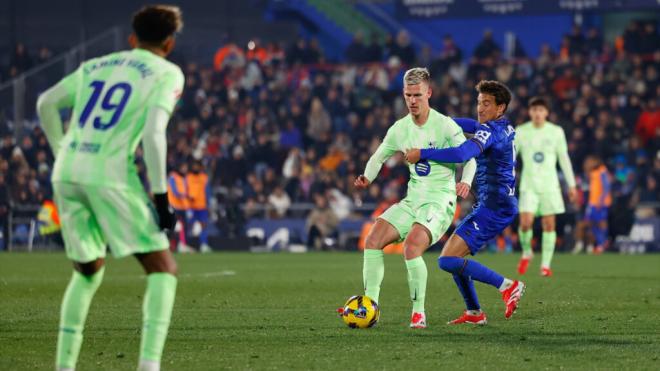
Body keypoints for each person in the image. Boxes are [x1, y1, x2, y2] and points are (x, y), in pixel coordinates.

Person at [36, 6, 184, 371]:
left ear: (132, 39)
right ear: (169, 43)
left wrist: (61, 152)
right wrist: (162, 197)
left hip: (67, 171)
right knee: (162, 267)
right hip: (110, 174)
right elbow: (152, 134)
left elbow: (45, 103)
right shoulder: (167, 73)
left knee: (88, 270)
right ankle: (149, 366)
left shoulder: (97, 65)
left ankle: (64, 366)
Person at [354, 67, 476, 329]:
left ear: (429, 93)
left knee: (411, 247)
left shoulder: (445, 125)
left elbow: (470, 158)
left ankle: (418, 312)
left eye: (417, 95)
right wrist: (367, 177)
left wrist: (465, 181)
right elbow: (379, 156)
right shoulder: (400, 129)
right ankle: (370, 306)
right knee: (373, 238)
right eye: (408, 95)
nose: (412, 100)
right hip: (413, 200)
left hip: (440, 201)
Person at [406, 80, 524, 325]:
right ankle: (474, 313)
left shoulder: (490, 131)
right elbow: (466, 124)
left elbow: (461, 154)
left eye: (487, 104)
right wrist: (437, 120)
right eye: (479, 102)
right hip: (496, 204)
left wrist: (423, 153)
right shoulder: (503, 127)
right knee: (453, 258)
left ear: (500, 108)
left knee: (446, 260)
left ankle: (508, 286)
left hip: (495, 208)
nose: (480, 108)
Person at [515, 97, 577, 277]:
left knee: (549, 225)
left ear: (546, 113)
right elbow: (511, 157)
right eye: (534, 110)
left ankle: (545, 265)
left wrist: (572, 185)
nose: (537, 113)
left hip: (550, 186)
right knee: (525, 223)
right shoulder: (521, 131)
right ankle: (527, 251)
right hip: (529, 185)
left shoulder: (556, 132)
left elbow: (564, 159)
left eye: (541, 110)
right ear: (530, 112)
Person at [584, 155, 612, 254]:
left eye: (589, 161)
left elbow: (607, 186)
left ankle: (602, 244)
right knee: (589, 222)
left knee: (601, 222)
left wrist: (601, 199)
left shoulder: (602, 169)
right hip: (592, 202)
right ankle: (601, 242)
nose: (587, 163)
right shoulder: (592, 172)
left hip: (601, 202)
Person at [186, 160, 211, 253]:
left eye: (197, 166)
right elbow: (185, 191)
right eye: (194, 166)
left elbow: (207, 191)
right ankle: (185, 244)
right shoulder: (188, 178)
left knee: (203, 225)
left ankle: (204, 244)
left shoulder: (204, 178)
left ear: (200, 167)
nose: (195, 168)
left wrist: (208, 204)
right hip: (191, 206)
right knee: (188, 226)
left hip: (202, 206)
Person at [168, 162, 193, 253]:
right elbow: (175, 191)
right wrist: (184, 195)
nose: (184, 169)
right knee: (172, 227)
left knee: (184, 226)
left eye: (186, 168)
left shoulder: (184, 178)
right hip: (174, 205)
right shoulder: (173, 177)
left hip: (183, 206)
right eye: (183, 167)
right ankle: (171, 245)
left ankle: (182, 244)